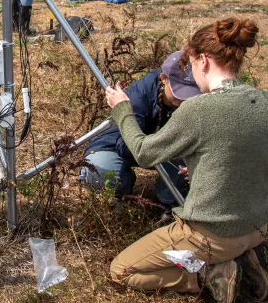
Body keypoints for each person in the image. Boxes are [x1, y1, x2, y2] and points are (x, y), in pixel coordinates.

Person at [103, 18, 268, 303]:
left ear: (203, 61)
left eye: (190, 65)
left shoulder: (198, 109)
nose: (190, 75)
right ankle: (246, 259)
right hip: (257, 228)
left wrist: (123, 109)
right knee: (233, 243)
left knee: (122, 270)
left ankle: (211, 275)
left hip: (209, 236)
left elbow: (144, 152)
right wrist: (211, 168)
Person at [79, 51, 199, 209]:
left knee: (190, 151)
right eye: (178, 90)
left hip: (157, 150)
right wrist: (160, 150)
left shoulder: (201, 97)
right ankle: (122, 189)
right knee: (96, 171)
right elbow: (125, 145)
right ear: (163, 79)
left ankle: (167, 201)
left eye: (189, 92)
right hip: (118, 146)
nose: (183, 98)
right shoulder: (139, 94)